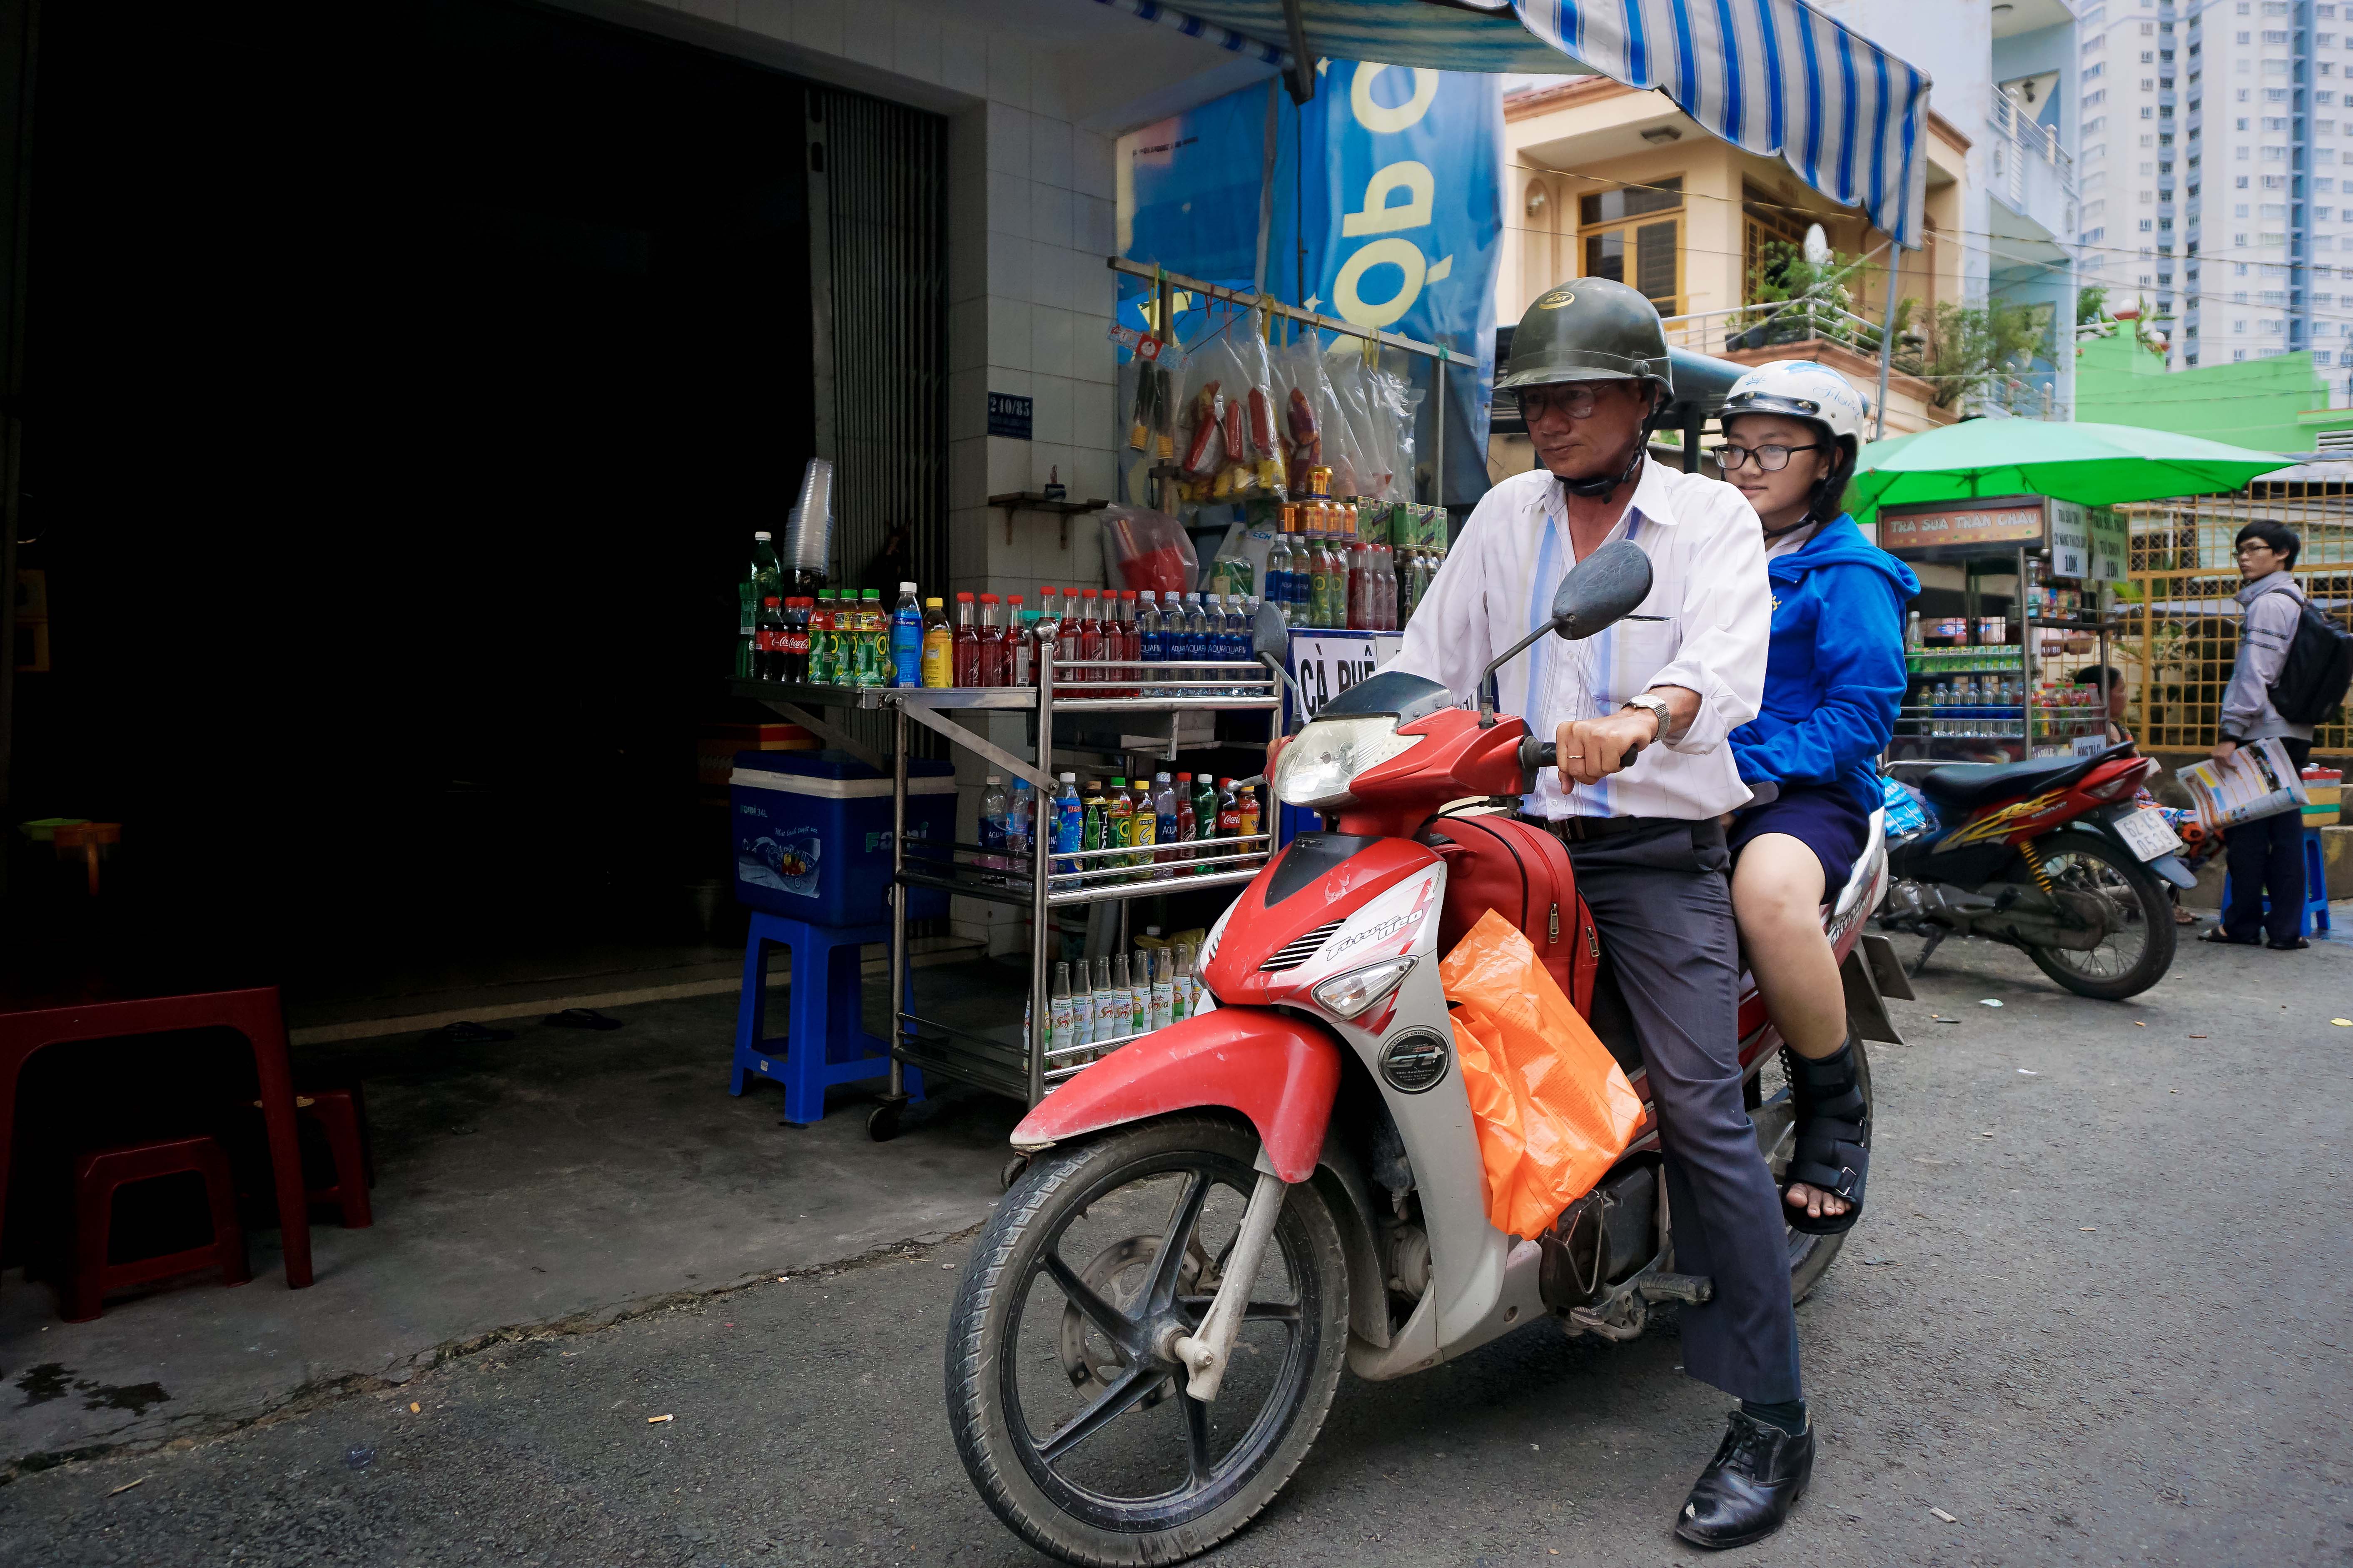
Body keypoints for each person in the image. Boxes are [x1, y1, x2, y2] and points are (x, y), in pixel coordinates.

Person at [1386, 278, 1807, 1549]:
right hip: (1509, 842)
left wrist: (1638, 720)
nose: (1549, 419)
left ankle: (1771, 1413)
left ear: (1640, 402)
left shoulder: (1708, 519)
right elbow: (1428, 658)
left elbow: (1720, 667)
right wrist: (1339, 734)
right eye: (1533, 400)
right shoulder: (1506, 514)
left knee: (1695, 1110)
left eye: (1574, 396)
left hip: (1652, 857)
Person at [1711, 363, 1916, 1234]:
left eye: (1773, 449)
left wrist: (1739, 765)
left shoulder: (1849, 573)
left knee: (1763, 896)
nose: (1747, 465)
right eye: (1736, 447)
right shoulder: (1705, 553)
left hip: (1803, 795)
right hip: (1687, 782)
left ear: (1827, 461)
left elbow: (1859, 716)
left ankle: (1833, 1106)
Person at [2205, 520, 2314, 950]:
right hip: (2291, 730)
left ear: (2282, 553)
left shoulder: (2268, 604)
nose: (2244, 557)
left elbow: (2255, 674)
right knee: (2285, 833)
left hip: (2261, 732)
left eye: (2253, 549)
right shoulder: (2297, 600)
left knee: (2246, 834)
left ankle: (2242, 925)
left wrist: (2231, 731)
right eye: (2240, 551)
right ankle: (2286, 930)